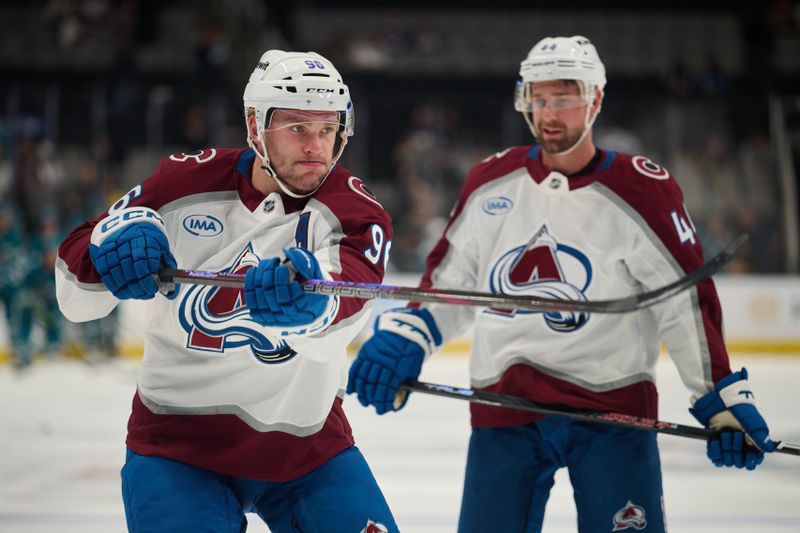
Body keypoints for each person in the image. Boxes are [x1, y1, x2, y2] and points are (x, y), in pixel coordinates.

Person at [348, 36, 778, 532]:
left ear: (595, 99)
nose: (549, 113)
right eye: (539, 98)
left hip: (612, 412)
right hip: (506, 406)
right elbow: (452, 284)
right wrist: (410, 335)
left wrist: (719, 396)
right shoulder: (491, 180)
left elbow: (684, 305)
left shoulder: (644, 190)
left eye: (565, 99)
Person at [56, 50, 398, 532]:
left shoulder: (357, 211)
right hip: (176, 446)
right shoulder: (183, 181)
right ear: (256, 127)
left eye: (327, 129)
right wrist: (109, 247)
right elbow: (74, 297)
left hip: (305, 446)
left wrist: (309, 306)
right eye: (298, 128)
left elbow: (346, 304)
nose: (316, 147)